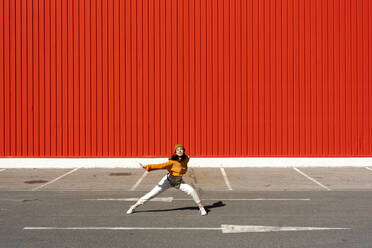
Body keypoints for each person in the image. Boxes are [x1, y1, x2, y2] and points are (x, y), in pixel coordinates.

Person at [126, 144, 207, 216]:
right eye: (177, 150)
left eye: (181, 149)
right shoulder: (171, 162)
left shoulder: (186, 159)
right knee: (151, 195)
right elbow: (160, 166)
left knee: (192, 191)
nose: (179, 150)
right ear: (175, 152)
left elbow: (187, 158)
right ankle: (133, 207)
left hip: (178, 182)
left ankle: (201, 208)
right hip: (167, 181)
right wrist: (146, 167)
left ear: (184, 151)